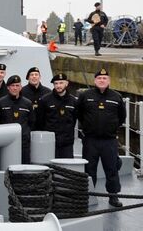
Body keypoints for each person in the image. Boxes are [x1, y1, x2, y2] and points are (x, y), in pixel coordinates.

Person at [77, 67, 126, 207]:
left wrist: (111, 128)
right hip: (90, 140)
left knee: (111, 169)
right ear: (95, 80)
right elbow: (79, 114)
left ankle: (113, 196)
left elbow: (122, 117)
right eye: (99, 78)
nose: (102, 80)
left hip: (109, 141)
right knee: (89, 170)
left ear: (109, 80)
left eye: (104, 78)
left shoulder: (116, 97)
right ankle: (89, 196)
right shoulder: (85, 96)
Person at [0, 75, 35, 164]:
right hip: (5, 142)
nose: (15, 88)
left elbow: (32, 122)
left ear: (21, 87)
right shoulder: (0, 103)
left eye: (17, 85)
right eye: (12, 86)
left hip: (23, 143)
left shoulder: (27, 103)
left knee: (24, 168)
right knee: (5, 167)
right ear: (8, 87)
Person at [37, 73, 77, 158]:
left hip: (67, 143)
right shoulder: (45, 100)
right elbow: (40, 121)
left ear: (66, 83)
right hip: (50, 142)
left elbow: (74, 119)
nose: (58, 86)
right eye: (56, 83)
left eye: (61, 83)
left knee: (66, 168)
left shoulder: (73, 101)